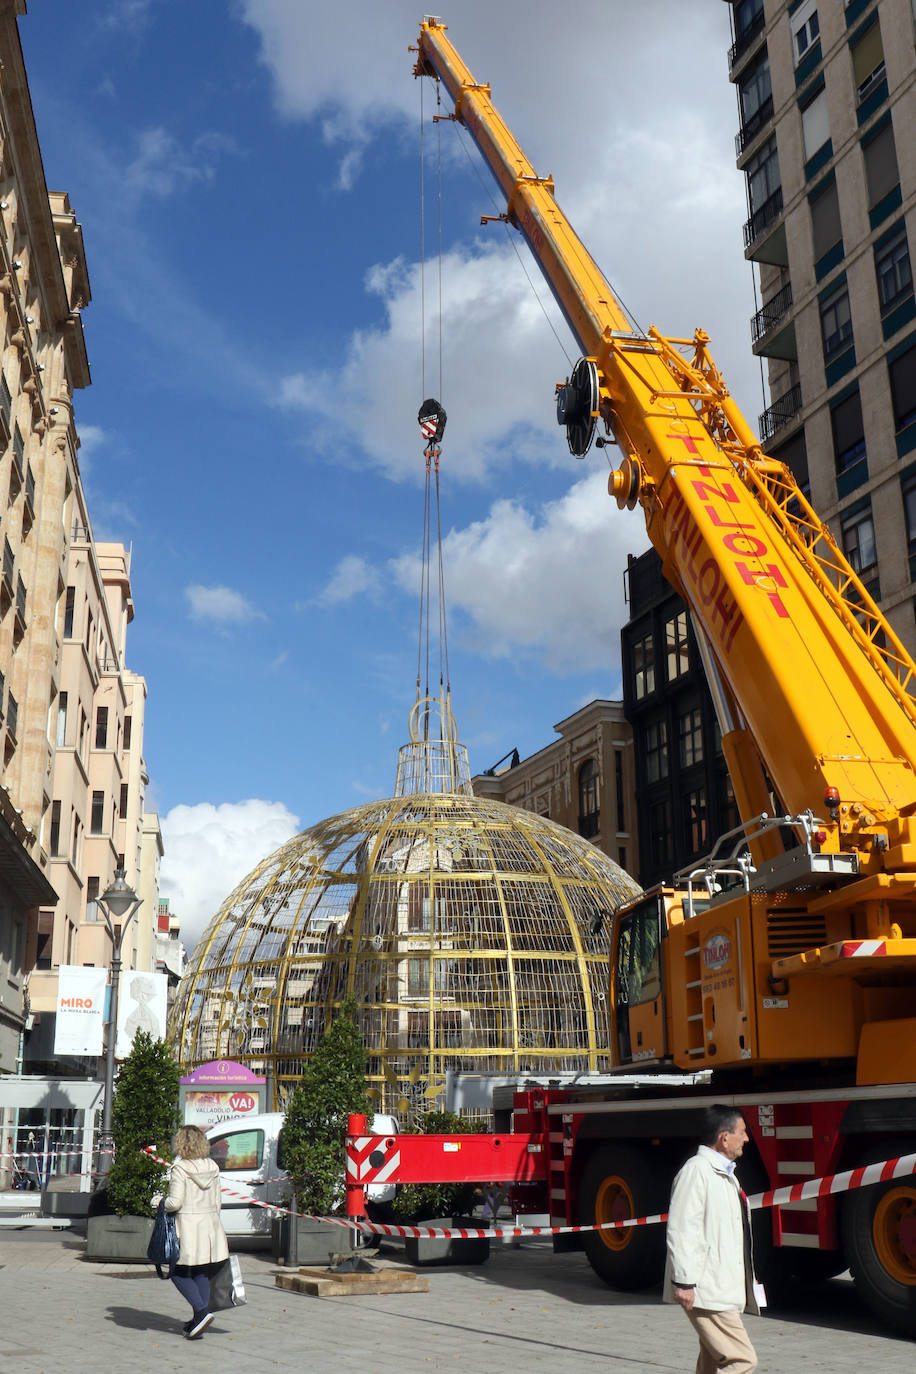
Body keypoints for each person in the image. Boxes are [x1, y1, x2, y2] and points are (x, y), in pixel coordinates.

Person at [664, 1105, 761, 1374]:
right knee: (741, 1361)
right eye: (742, 1132)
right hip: (707, 1289)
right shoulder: (697, 1172)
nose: (747, 1139)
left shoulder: (725, 1174)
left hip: (720, 1287)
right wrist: (684, 1282)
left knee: (711, 1361)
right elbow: (682, 1229)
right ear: (724, 1137)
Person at [151, 1124, 229, 1339]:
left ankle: (202, 1312)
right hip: (209, 1225)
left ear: (182, 1144)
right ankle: (198, 1320)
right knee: (200, 1271)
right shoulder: (213, 1166)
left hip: (188, 1227)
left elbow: (175, 1203)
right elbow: (217, 1202)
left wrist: (158, 1201)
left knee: (176, 1272)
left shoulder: (180, 1168)